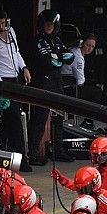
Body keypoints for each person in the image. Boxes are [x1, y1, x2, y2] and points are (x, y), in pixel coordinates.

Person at [27, 9, 76, 165]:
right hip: (42, 83)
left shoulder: (57, 40)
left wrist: (57, 56)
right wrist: (58, 57)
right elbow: (50, 62)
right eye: (47, 24)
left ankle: (58, 150)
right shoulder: (38, 41)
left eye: (51, 24)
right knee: (39, 119)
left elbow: (70, 57)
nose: (49, 26)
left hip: (57, 82)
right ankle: (33, 153)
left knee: (59, 117)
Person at [0, 10, 32, 165]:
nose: (0, 26)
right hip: (2, 80)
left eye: (3, 23)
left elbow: (16, 53)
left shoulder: (11, 33)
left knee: (9, 119)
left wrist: (24, 67)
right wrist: (1, 84)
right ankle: (22, 159)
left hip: (16, 77)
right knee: (16, 118)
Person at [61, 33, 102, 127]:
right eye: (87, 45)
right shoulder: (78, 57)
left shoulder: (74, 51)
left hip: (66, 84)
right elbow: (80, 81)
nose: (90, 48)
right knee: (97, 91)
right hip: (69, 88)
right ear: (82, 43)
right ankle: (88, 121)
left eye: (92, 46)